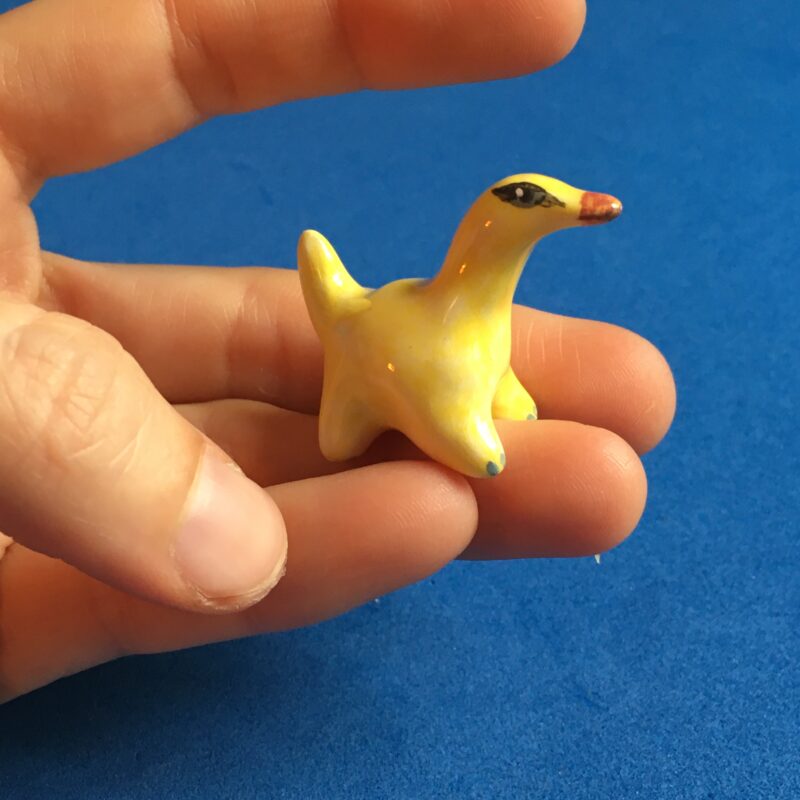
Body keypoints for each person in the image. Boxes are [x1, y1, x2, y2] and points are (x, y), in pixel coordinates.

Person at [0, 0, 675, 700]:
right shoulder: (435, 342)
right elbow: (469, 441)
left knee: (495, 370)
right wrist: (475, 446)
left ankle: (458, 395)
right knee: (350, 433)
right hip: (374, 345)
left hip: (407, 326)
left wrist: (502, 390)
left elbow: (488, 360)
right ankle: (364, 403)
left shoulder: (476, 325)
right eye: (544, 203)